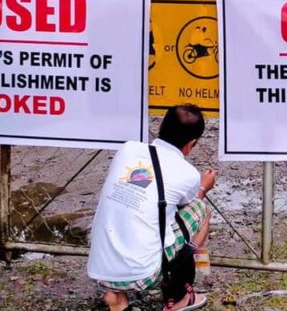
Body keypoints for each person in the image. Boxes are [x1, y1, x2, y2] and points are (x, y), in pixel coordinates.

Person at [87, 104, 216, 311]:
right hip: (143, 274)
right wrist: (203, 187)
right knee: (200, 208)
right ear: (191, 144)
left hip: (100, 270)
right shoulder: (188, 173)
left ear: (161, 127)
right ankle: (180, 295)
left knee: (134, 212)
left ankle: (117, 298)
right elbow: (187, 207)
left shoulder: (128, 149)